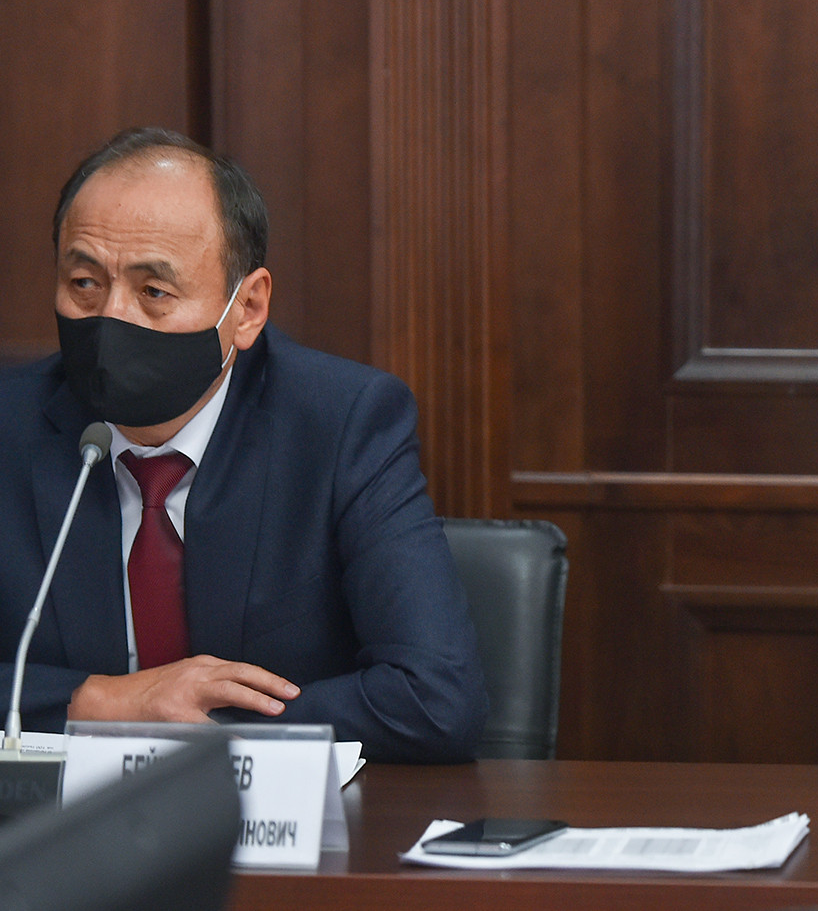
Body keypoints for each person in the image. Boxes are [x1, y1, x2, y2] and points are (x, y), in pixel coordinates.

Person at [0, 127, 487, 762]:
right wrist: (105, 702)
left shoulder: (341, 424)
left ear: (248, 307)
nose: (112, 317)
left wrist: (195, 720)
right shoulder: (11, 426)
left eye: (153, 292)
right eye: (85, 283)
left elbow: (436, 698)